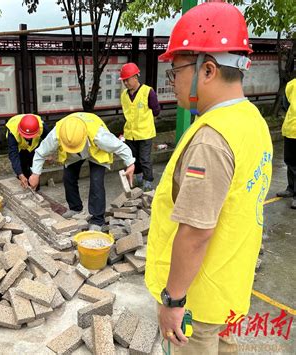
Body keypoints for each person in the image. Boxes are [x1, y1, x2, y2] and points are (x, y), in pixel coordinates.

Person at [144, 3, 273, 354]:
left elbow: (197, 231)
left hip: (199, 303)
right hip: (231, 287)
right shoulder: (252, 121)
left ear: (208, 70)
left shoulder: (211, 139)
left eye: (176, 71)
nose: (173, 82)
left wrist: (173, 300)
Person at [29, 112, 135, 230]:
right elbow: (40, 152)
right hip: (72, 156)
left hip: (96, 152)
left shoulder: (99, 135)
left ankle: (97, 220)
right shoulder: (56, 134)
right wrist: (35, 174)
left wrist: (130, 163)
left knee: (96, 182)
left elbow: (120, 146)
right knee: (68, 177)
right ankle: (75, 208)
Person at [120, 63, 160, 191]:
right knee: (133, 159)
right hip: (130, 134)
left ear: (136, 77)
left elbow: (156, 110)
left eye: (127, 79)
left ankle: (148, 182)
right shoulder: (124, 95)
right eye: (124, 80)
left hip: (145, 133)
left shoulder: (148, 92)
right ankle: (138, 179)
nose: (125, 83)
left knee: (145, 159)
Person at [6, 113, 49, 188]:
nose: (28, 138)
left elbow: (49, 140)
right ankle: (24, 184)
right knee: (22, 166)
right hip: (21, 148)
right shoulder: (12, 131)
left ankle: (35, 187)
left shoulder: (41, 126)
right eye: (26, 136)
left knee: (35, 166)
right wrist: (20, 174)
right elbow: (13, 155)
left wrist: (49, 153)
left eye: (31, 136)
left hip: (34, 147)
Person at [276, 77, 296, 209]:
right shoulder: (292, 84)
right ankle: (290, 189)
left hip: (291, 128)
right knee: (289, 161)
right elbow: (286, 104)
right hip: (290, 129)